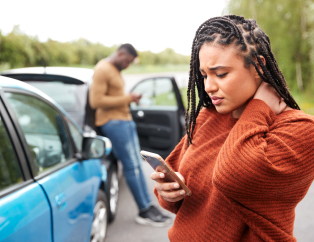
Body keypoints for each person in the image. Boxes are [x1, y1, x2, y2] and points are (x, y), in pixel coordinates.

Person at [151, 15, 314, 241]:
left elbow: (233, 177)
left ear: (258, 66)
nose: (208, 86)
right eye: (204, 75)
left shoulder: (301, 130)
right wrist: (169, 194)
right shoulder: (208, 118)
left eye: (221, 74)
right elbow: (187, 201)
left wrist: (258, 108)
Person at [89, 44, 171, 227]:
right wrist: (128, 98)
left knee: (137, 165)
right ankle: (143, 211)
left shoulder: (114, 69)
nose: (127, 65)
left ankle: (149, 206)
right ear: (120, 54)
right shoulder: (102, 69)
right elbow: (96, 101)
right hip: (114, 123)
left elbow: (113, 95)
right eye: (126, 61)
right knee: (131, 167)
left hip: (124, 121)